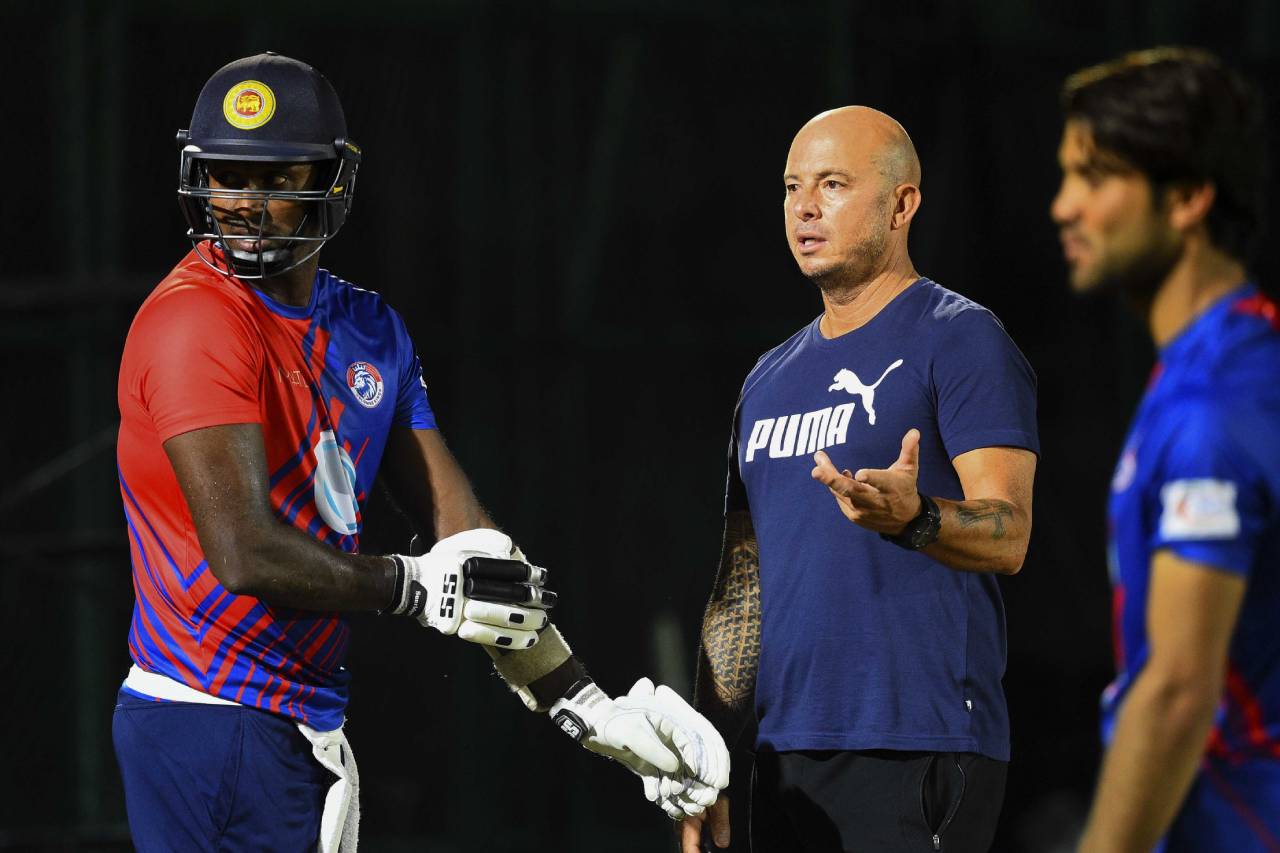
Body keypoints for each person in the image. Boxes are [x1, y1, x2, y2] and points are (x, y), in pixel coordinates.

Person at [112, 52, 727, 851]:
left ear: (330, 181)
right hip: (207, 718)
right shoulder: (196, 322)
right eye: (226, 175)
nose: (242, 203)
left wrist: (590, 707)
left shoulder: (370, 329)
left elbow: (469, 544)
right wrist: (409, 585)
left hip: (299, 718)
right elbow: (244, 553)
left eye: (272, 176)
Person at [677, 106, 1039, 853]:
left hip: (916, 742)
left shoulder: (961, 337)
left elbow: (1010, 533)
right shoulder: (766, 380)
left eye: (833, 184)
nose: (804, 207)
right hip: (782, 756)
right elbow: (741, 588)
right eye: (791, 187)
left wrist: (918, 518)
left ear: (902, 204)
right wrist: (703, 758)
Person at [1051, 48, 1280, 852]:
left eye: (1095, 175)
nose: (1064, 206)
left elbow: (1179, 688)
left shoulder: (1214, 405)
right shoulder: (1230, 360)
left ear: (1186, 197)